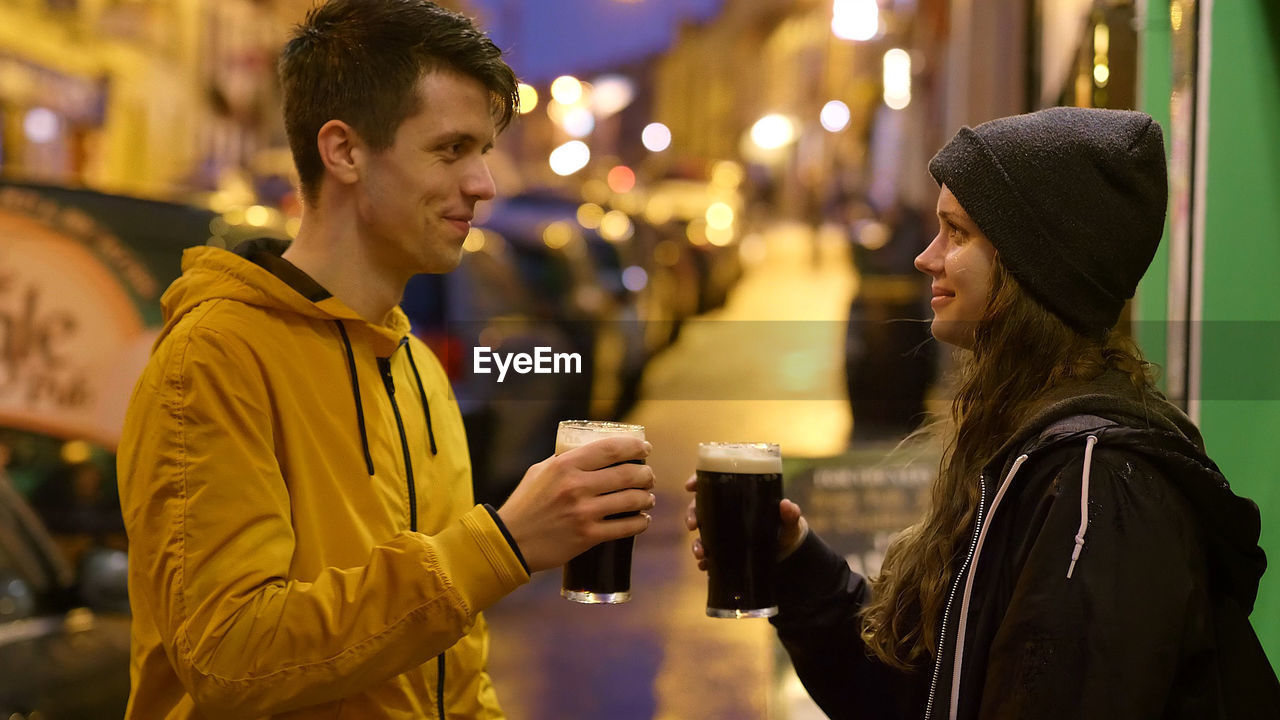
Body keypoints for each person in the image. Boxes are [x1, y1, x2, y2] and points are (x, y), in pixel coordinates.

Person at [116, 1, 656, 718]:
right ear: (344, 151)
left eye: (484, 152)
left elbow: (450, 663)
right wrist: (502, 544)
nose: (484, 185)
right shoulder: (214, 361)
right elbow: (229, 658)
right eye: (450, 149)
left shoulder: (416, 367)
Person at [686, 106, 1280, 719]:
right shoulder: (1030, 447)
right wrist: (794, 562)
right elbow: (926, 694)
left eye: (958, 233)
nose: (926, 257)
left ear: (1032, 265)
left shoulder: (1094, 488)